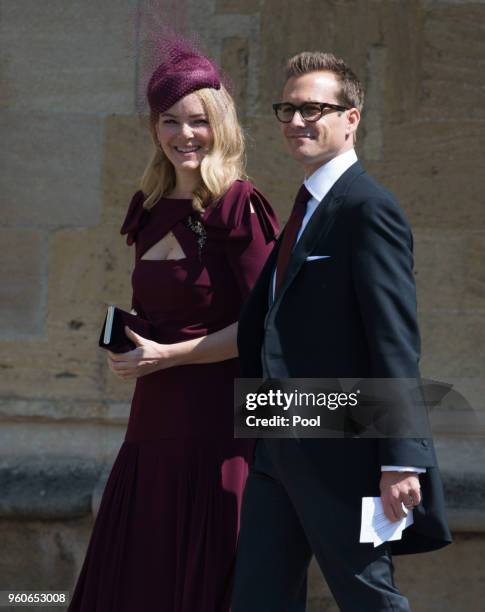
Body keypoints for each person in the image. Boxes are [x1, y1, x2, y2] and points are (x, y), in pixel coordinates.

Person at [232, 52, 452, 612]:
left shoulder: (367, 208)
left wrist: (402, 458)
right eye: (287, 108)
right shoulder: (306, 207)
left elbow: (394, 338)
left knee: (367, 598)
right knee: (258, 598)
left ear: (352, 117)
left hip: (341, 443)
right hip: (276, 435)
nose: (296, 120)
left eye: (314, 108)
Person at [68, 41, 278, 612]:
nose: (184, 134)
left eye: (198, 120)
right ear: (155, 127)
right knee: (139, 578)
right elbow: (167, 313)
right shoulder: (151, 205)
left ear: (221, 123)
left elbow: (265, 328)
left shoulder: (239, 207)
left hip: (218, 422)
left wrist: (169, 355)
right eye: (170, 120)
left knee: (205, 581)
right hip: (152, 419)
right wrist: (133, 342)